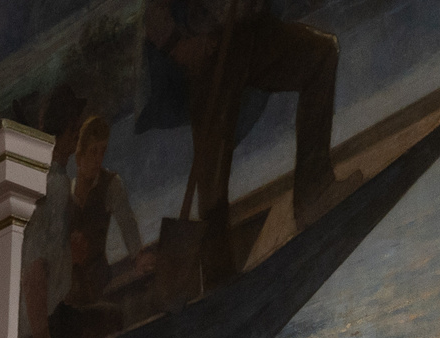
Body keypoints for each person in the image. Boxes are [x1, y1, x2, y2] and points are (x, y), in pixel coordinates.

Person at [142, 0, 339, 287]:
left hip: (254, 32)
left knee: (321, 53)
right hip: (212, 50)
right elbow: (153, 13)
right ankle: (217, 276)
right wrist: (179, 47)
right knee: (212, 169)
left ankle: (314, 195)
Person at [22, 115, 154, 338]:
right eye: (92, 152)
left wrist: (137, 255)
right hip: (68, 292)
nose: (98, 159)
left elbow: (127, 222)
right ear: (79, 156)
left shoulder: (110, 185)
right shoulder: (63, 194)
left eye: (102, 152)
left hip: (97, 281)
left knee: (109, 317)